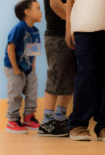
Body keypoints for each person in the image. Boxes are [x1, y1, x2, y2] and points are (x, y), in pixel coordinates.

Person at [66, 0, 105, 142]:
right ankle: (78, 124)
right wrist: (68, 28)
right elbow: (70, 2)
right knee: (86, 75)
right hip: (83, 28)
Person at [38, 0, 76, 137]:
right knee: (55, 76)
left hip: (67, 35)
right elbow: (55, 4)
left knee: (68, 79)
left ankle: (59, 119)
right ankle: (47, 122)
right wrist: (73, 13)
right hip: (58, 36)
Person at [4, 0, 42, 134]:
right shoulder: (19, 28)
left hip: (28, 67)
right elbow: (11, 48)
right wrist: (15, 68)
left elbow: (34, 51)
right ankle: (12, 120)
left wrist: (33, 66)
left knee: (32, 89)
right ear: (27, 12)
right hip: (13, 66)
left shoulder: (35, 31)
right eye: (37, 8)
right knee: (15, 91)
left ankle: (29, 117)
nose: (40, 12)